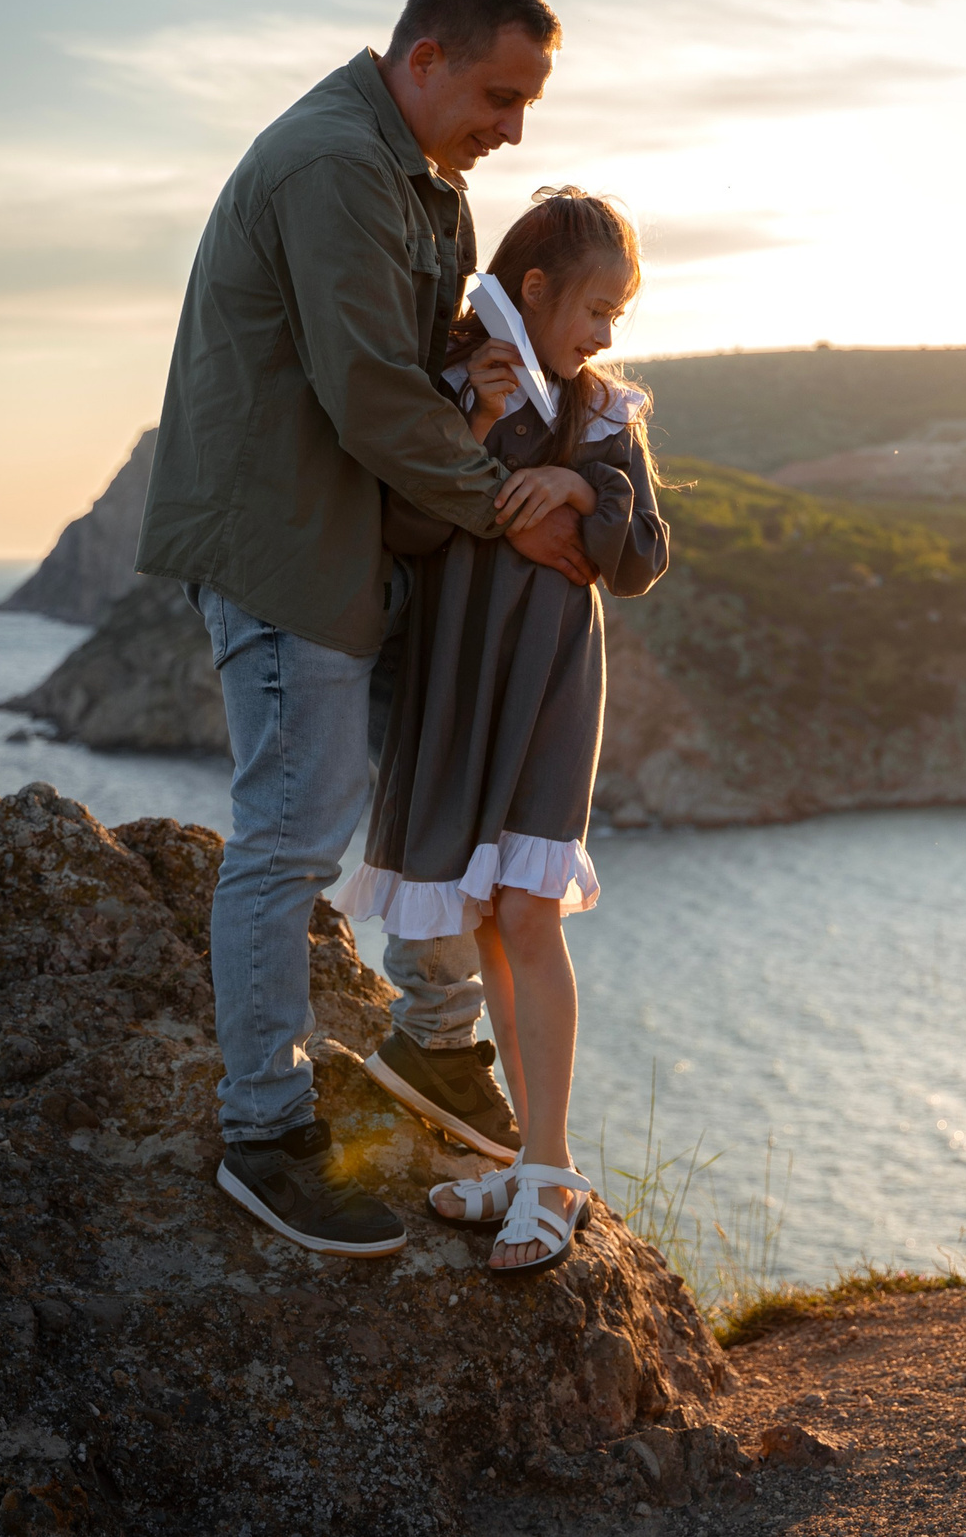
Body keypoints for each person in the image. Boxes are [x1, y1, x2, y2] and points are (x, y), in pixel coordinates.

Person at [136, 0, 596, 1258]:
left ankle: (437, 1046)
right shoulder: (337, 163)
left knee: (433, 788)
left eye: (528, 103)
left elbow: (411, 366)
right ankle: (268, 1135)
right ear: (426, 57)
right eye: (502, 94)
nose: (516, 128)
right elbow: (366, 394)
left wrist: (475, 364)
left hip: (369, 538)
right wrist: (508, 501)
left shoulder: (426, 184)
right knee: (291, 835)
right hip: (291, 548)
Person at [330, 188, 669, 1275]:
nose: (607, 333)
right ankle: (528, 1159)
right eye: (597, 308)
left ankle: (553, 1165)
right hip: (453, 675)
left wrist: (580, 481)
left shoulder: (607, 413)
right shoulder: (453, 387)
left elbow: (644, 556)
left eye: (619, 313)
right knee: (482, 912)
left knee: (530, 907)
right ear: (534, 290)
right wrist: (471, 429)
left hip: (549, 677)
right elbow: (403, 528)